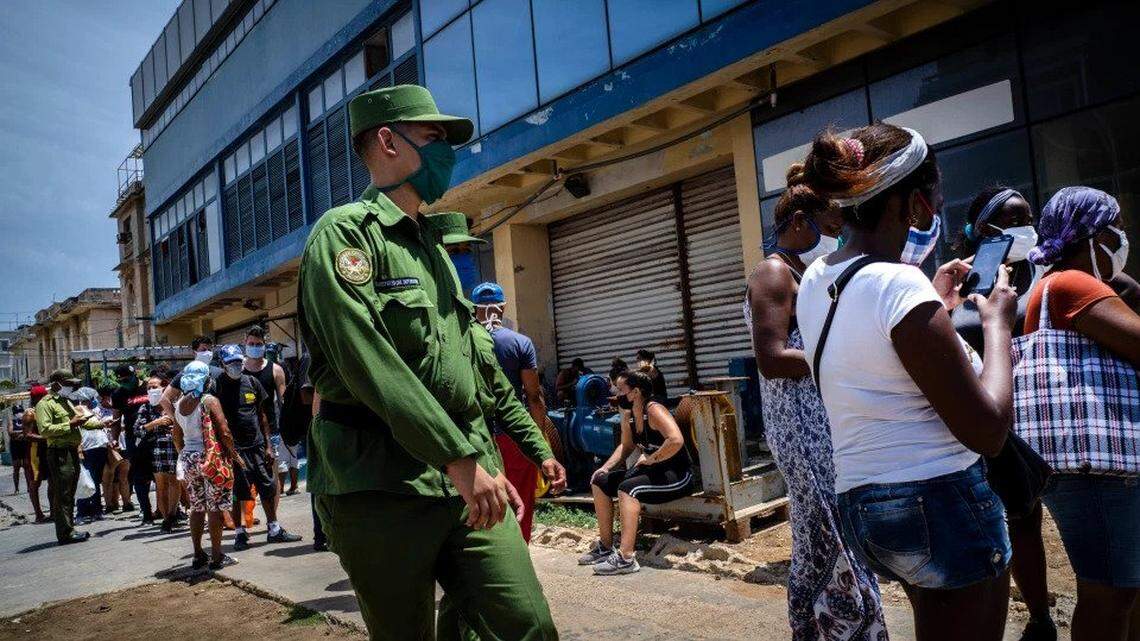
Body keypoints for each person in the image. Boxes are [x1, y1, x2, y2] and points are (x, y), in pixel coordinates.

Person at [298, 83, 557, 640]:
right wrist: (462, 461)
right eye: (434, 137)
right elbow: (369, 364)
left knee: (528, 624)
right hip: (380, 486)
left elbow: (469, 375)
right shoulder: (344, 237)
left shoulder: (433, 250)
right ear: (388, 141)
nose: (448, 152)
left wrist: (483, 462)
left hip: (464, 480)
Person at [792, 124, 1017, 640]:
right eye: (936, 194)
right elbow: (988, 430)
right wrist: (997, 325)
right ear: (914, 203)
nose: (937, 208)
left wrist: (933, 305)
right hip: (938, 502)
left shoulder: (817, 277)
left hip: (866, 504)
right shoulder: (899, 285)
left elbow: (876, 355)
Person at [745, 183, 886, 640]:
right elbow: (771, 358)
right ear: (801, 222)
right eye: (831, 226)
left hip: (821, 423)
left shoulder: (807, 272)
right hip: (800, 429)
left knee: (817, 540)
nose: (839, 233)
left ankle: (814, 628)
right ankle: (852, 628)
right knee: (834, 532)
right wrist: (844, 351)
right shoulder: (773, 273)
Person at [1020, 186, 1140, 641]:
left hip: (1092, 466)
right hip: (1097, 470)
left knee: (1122, 589)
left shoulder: (1054, 285)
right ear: (1089, 236)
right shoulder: (1072, 283)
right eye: (1116, 229)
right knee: (1109, 593)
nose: (1122, 239)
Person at [950, 186, 1057, 641]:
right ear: (988, 231)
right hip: (987, 421)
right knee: (1007, 521)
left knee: (1039, 520)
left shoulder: (1046, 270)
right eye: (1015, 219)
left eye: (1029, 216)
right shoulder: (963, 282)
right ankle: (1033, 618)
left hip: (1043, 415)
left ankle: (1049, 616)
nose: (1026, 227)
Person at [471, 281, 567, 542]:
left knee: (482, 503)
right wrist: (539, 434)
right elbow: (533, 396)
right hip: (513, 437)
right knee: (520, 501)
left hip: (477, 437)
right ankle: (518, 554)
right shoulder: (519, 343)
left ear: (473, 308)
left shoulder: (465, 341)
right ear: (502, 307)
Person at [579, 368, 691, 575]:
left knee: (627, 489)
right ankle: (605, 546)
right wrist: (605, 468)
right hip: (653, 472)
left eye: (621, 390)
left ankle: (626, 558)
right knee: (600, 482)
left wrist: (651, 459)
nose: (616, 394)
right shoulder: (629, 414)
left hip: (677, 475)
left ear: (636, 392)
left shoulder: (654, 409)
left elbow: (676, 440)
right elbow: (626, 446)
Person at [215, 345, 301, 549]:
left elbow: (262, 416)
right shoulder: (217, 386)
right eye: (231, 363)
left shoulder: (251, 382)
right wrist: (225, 450)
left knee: (268, 489)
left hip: (258, 447)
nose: (235, 366)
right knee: (238, 493)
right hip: (234, 451)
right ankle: (240, 534)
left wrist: (268, 446)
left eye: (238, 362)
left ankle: (274, 529)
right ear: (223, 365)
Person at [173, 361, 240, 570]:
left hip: (189, 458)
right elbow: (225, 432)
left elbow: (177, 436)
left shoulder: (178, 404)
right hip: (211, 458)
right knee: (215, 507)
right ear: (206, 379)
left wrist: (185, 456)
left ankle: (197, 554)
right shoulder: (209, 400)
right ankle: (217, 556)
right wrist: (234, 455)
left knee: (197, 506)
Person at [36, 370, 91, 544]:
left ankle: (69, 528)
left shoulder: (66, 401)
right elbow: (44, 430)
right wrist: (70, 424)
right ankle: (65, 532)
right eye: (67, 383)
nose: (70, 387)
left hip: (71, 451)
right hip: (59, 453)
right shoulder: (45, 404)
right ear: (56, 383)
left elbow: (79, 419)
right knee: (63, 493)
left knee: (69, 492)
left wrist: (98, 423)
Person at [241, 327, 296, 496]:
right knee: (245, 477)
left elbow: (283, 400)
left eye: (258, 344)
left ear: (264, 345)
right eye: (251, 343)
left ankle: (273, 520)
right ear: (245, 343)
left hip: (270, 431)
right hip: (243, 432)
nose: (255, 347)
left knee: (272, 476)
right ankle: (247, 517)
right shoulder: (238, 368)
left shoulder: (275, 370)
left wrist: (289, 426)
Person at [134, 374, 181, 532]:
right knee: (161, 485)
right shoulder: (145, 407)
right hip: (156, 450)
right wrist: (155, 423)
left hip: (174, 446)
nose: (151, 390)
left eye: (155, 387)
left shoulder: (173, 404)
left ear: (164, 387)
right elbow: (137, 430)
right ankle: (166, 518)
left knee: (175, 482)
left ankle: (173, 513)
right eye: (149, 387)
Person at [110, 364, 147, 519]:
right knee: (139, 475)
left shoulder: (147, 388)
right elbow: (116, 420)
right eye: (121, 381)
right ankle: (146, 510)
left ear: (134, 375)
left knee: (160, 474)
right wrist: (114, 438)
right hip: (133, 439)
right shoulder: (118, 394)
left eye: (127, 379)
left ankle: (164, 509)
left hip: (154, 436)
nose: (125, 383)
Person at [72, 387, 114, 524]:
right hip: (88, 448)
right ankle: (82, 512)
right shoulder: (79, 409)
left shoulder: (91, 411)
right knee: (87, 481)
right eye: (92, 398)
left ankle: (96, 510)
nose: (94, 400)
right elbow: (87, 423)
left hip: (99, 447)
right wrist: (102, 423)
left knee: (95, 481)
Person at [21, 386, 50, 522]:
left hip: (48, 449)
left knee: (53, 481)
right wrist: (47, 438)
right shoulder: (30, 413)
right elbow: (27, 435)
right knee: (35, 482)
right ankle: (38, 513)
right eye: (43, 397)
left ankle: (54, 511)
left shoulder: (45, 409)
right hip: (35, 451)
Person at [7, 404, 32, 496]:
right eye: (17, 412)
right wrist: (22, 433)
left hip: (24, 445)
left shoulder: (26, 420)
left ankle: (29, 487)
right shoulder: (11, 421)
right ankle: (16, 488)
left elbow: (29, 430)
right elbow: (10, 432)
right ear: (14, 413)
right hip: (15, 446)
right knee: (16, 467)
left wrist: (18, 434)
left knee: (27, 467)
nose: (19, 414)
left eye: (20, 412)